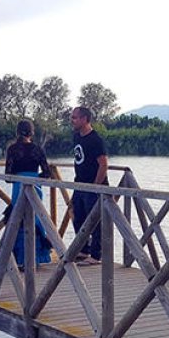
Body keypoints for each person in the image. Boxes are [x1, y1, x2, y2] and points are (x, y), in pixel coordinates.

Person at [4, 119, 53, 267]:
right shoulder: (38, 149)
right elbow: (47, 173)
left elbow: (8, 176)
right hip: (34, 187)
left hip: (19, 187)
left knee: (18, 219)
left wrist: (21, 176)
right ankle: (35, 258)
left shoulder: (12, 149)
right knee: (35, 218)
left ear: (17, 132)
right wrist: (33, 177)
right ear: (32, 132)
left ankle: (18, 259)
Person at [69, 106, 108, 265]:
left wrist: (95, 186)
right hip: (80, 184)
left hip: (93, 186)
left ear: (84, 119)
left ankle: (96, 255)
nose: (72, 120)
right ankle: (83, 249)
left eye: (75, 118)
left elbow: (103, 164)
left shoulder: (95, 140)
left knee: (96, 221)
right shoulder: (76, 137)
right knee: (77, 216)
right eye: (72, 117)